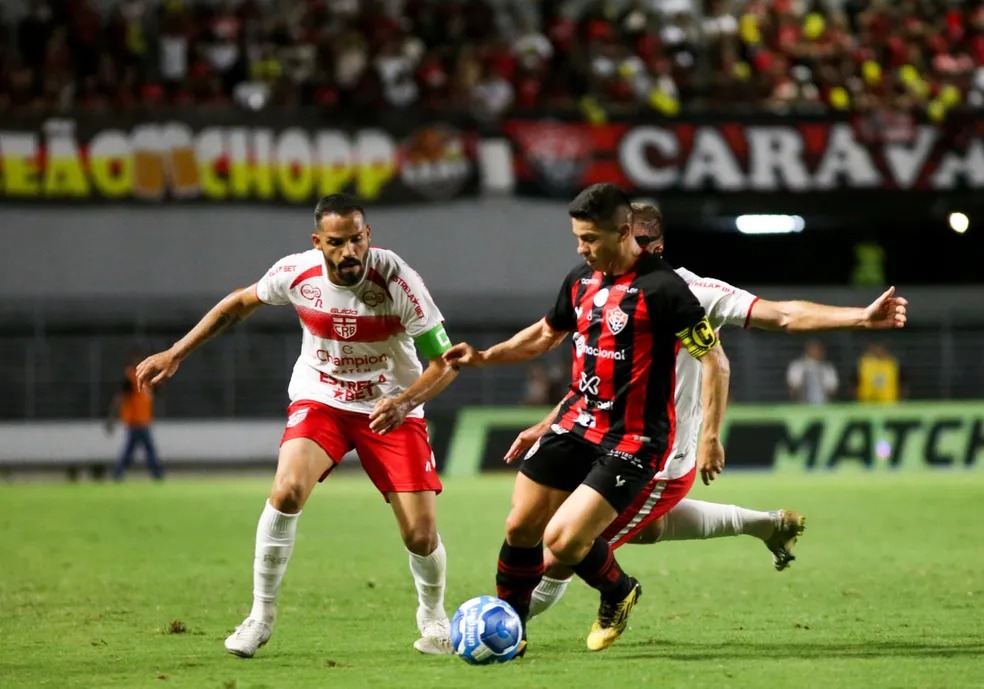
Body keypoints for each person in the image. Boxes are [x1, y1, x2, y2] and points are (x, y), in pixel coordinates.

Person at [505, 201, 909, 621]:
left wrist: (860, 317)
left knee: (563, 552)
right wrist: (550, 423)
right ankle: (767, 524)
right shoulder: (599, 291)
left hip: (656, 458)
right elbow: (598, 378)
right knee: (645, 528)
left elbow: (784, 315)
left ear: (655, 246)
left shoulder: (692, 292)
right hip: (602, 441)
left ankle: (503, 628)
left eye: (634, 239)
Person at [135, 194, 459, 658]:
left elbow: (444, 363)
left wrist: (405, 400)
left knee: (420, 535)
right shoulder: (296, 272)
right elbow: (237, 304)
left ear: (368, 236)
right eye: (336, 242)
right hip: (322, 397)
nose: (349, 251)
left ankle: (433, 617)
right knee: (286, 491)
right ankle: (259, 616)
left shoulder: (399, 282)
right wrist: (176, 352)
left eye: (356, 240)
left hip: (390, 406)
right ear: (318, 242)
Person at [444, 184, 731, 653]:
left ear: (624, 233)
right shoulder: (581, 279)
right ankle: (511, 633)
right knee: (520, 527)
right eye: (578, 237)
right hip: (577, 422)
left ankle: (619, 591)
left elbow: (714, 360)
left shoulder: (663, 288)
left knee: (562, 539)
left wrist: (710, 437)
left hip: (633, 440)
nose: (581, 248)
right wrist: (482, 356)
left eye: (591, 238)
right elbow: (543, 335)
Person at [106, 351, 164, 481]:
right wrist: (111, 418)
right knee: (146, 450)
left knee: (132, 451)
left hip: (142, 421)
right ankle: (157, 475)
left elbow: (156, 393)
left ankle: (118, 474)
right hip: (135, 421)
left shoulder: (145, 379)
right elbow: (120, 398)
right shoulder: (131, 378)